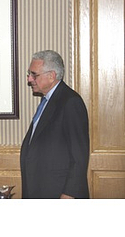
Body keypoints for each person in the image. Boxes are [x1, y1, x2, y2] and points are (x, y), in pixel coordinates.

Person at [20, 50, 90, 199]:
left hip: (59, 192)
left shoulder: (70, 102)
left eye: (34, 74)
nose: (29, 79)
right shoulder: (48, 101)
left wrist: (69, 194)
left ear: (51, 76)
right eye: (29, 74)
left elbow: (79, 155)